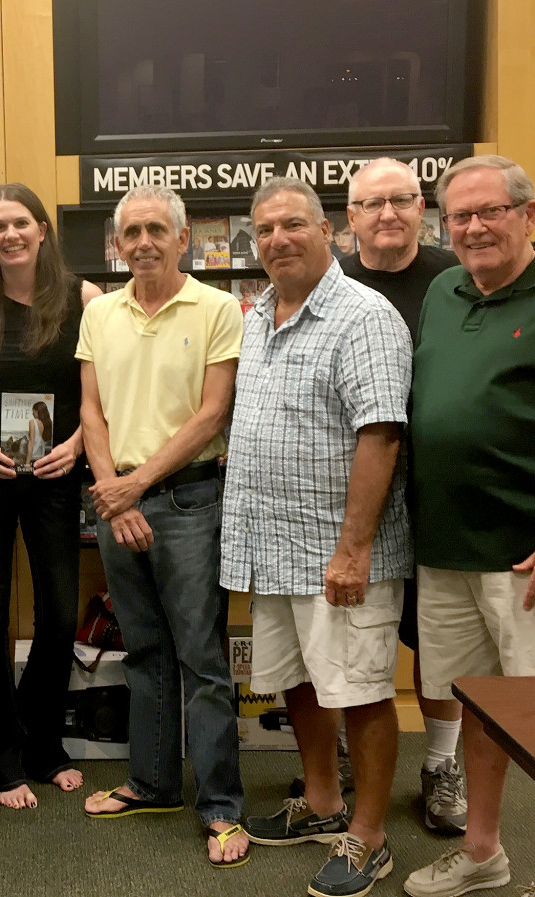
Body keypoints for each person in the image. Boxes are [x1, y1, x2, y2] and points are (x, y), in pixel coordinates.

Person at [222, 177, 412, 897]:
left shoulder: (364, 315)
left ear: (328, 229)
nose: (278, 239)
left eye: (293, 225)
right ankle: (323, 802)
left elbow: (381, 433)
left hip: (340, 552)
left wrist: (354, 547)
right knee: (299, 680)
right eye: (264, 229)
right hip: (274, 548)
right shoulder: (257, 313)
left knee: (360, 688)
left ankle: (368, 835)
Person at [77, 185, 248, 869]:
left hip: (187, 501)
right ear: (117, 244)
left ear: (182, 238)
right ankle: (152, 783)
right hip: (119, 501)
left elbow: (212, 413)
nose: (143, 241)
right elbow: (92, 413)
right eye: (131, 231)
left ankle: (221, 808)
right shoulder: (99, 314)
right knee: (143, 650)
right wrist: (115, 500)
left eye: (157, 229)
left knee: (202, 660)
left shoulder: (217, 308)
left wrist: (135, 488)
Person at [0, 183, 101, 809]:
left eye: (20, 224)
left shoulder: (85, 299)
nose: (9, 236)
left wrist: (81, 443)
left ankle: (43, 745)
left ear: (41, 231)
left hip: (58, 476)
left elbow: (100, 392)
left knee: (59, 615)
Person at [404, 154, 535, 897]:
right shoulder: (447, 290)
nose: (476, 226)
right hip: (447, 547)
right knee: (481, 706)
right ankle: (483, 852)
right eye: (461, 216)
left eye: (491, 211)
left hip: (521, 554)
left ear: (527, 214)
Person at [343, 157, 464, 835]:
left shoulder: (457, 276)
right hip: (354, 493)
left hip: (442, 492)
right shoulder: (330, 282)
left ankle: (441, 767)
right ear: (349, 216)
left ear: (423, 208)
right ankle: (345, 758)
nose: (388, 213)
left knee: (440, 642)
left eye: (402, 199)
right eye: (372, 202)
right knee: (351, 634)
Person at [25, 400, 52, 466]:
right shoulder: (47, 423)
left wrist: (27, 463)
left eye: (33, 411)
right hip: (42, 457)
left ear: (37, 411)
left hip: (33, 456)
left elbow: (31, 442)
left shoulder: (32, 422)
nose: (32, 413)